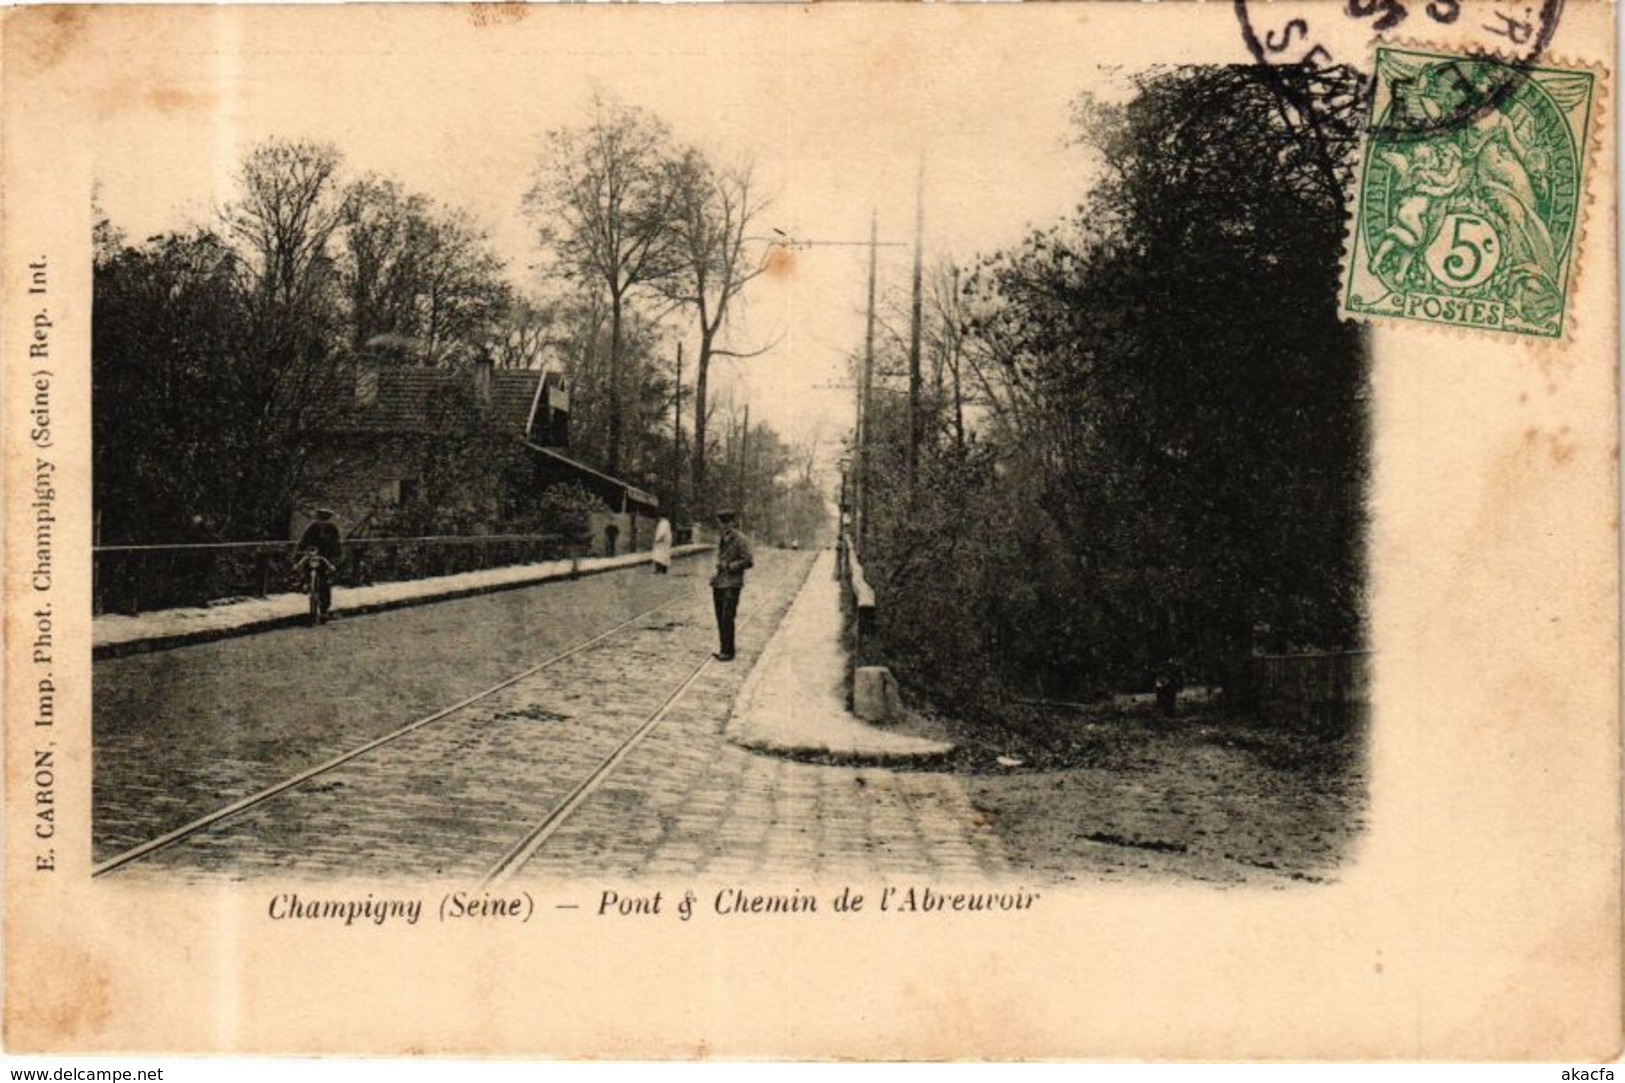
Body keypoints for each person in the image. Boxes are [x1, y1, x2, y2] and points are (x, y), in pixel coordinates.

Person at [709, 509, 754, 661]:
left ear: (733, 522)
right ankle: (724, 648)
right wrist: (715, 574)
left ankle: (728, 651)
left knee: (727, 617)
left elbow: (748, 561)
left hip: (733, 584)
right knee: (720, 617)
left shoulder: (741, 539)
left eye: (728, 522)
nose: (725, 526)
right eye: (722, 523)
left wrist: (729, 566)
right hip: (719, 583)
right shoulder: (722, 538)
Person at [296, 508, 343, 618]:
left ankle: (323, 609)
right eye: (321, 518)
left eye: (325, 519)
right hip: (313, 556)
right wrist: (299, 556)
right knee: (306, 570)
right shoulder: (313, 527)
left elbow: (336, 545)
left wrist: (334, 561)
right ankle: (305, 584)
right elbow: (303, 542)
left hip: (325, 558)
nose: (322, 521)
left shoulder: (332, 529)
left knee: (325, 582)